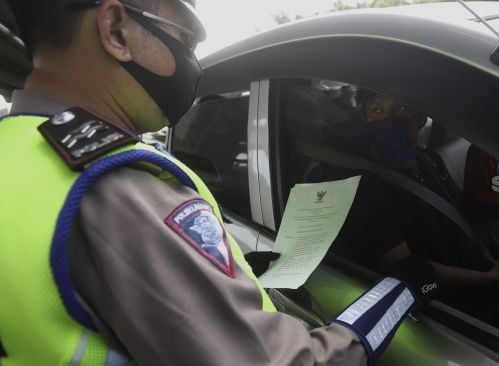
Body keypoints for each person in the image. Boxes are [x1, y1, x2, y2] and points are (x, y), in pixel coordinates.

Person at [0, 1, 432, 365]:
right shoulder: (116, 188)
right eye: (186, 40)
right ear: (115, 31)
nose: (194, 65)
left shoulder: (12, 147)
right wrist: (401, 291)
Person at [317, 89, 499, 293]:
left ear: (420, 117)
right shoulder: (368, 185)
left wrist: (493, 262)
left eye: (402, 109)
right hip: (453, 302)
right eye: (378, 111)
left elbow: (462, 221)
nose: (390, 120)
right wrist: (492, 280)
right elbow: (410, 274)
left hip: (486, 268)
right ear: (365, 118)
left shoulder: (430, 160)